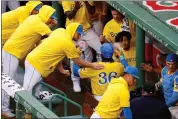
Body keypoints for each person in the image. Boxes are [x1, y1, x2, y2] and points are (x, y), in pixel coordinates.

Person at [2, 5, 57, 118]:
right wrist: (52, 26)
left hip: (13, 52)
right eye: (51, 17)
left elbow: (38, 36)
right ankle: (3, 108)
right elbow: (54, 37)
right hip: (11, 52)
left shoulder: (34, 18)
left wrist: (49, 24)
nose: (52, 20)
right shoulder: (38, 23)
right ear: (46, 15)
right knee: (7, 82)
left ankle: (5, 106)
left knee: (10, 80)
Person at [23, 23, 104, 97]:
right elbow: (78, 62)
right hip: (36, 65)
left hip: (36, 63)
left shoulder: (60, 30)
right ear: (74, 31)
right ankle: (24, 112)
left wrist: (61, 69)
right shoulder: (68, 44)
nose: (79, 36)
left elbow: (58, 54)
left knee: (35, 92)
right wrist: (92, 65)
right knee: (27, 91)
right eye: (78, 34)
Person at [62, 1, 102, 92]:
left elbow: (92, 11)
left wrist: (86, 2)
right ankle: (75, 80)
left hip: (86, 30)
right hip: (73, 31)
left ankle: (95, 73)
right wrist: (76, 8)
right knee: (76, 56)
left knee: (100, 49)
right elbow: (69, 15)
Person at [156, 54, 178, 118]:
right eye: (168, 64)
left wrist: (164, 107)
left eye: (173, 64)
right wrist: (157, 85)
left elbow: (175, 97)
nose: (171, 66)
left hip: (176, 107)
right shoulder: (164, 70)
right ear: (165, 63)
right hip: (167, 104)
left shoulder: (177, 77)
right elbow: (162, 82)